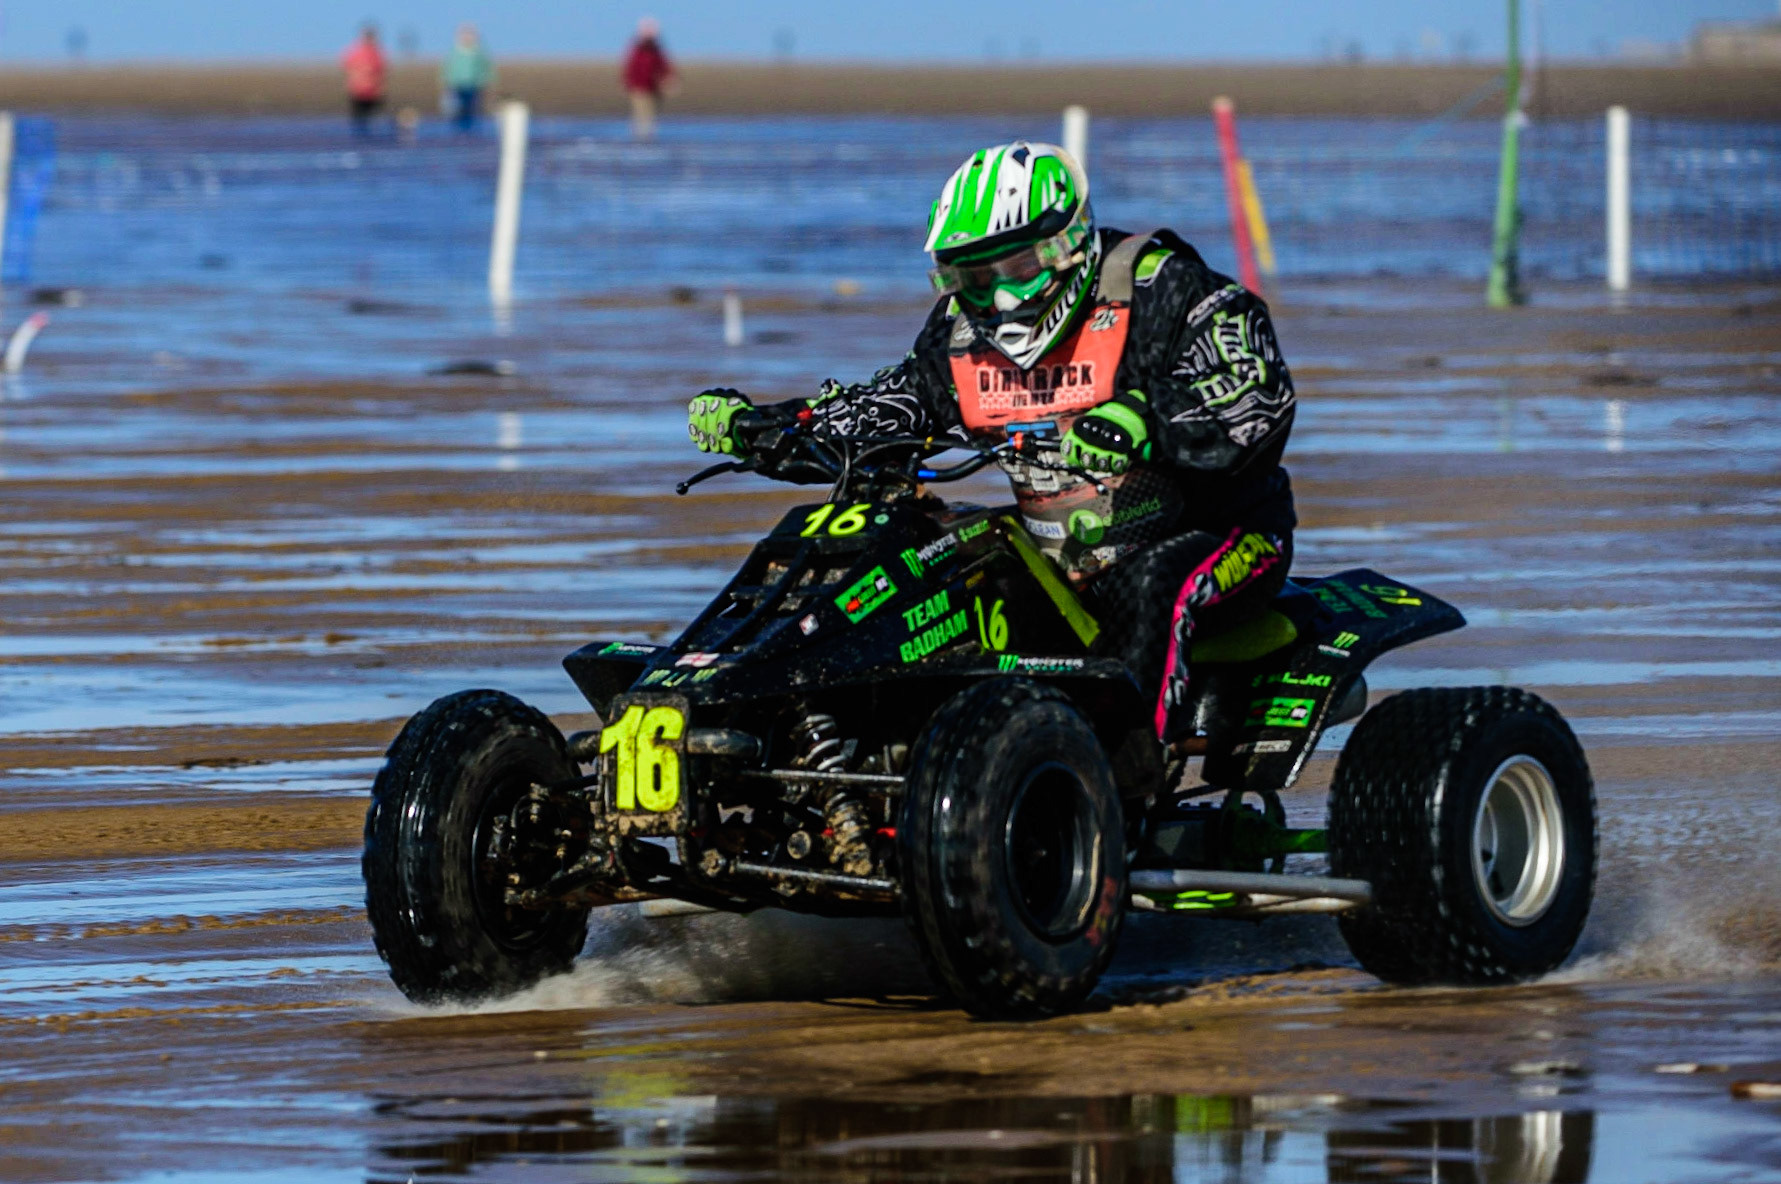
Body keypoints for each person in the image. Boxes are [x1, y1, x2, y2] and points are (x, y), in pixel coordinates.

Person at [687, 142, 1297, 746]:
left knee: (1150, 585)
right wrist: (772, 428)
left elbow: (1257, 388)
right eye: (975, 279)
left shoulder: (1162, 288)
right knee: (931, 564)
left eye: (1017, 272)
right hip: (1057, 546)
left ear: (1068, 245)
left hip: (1220, 530)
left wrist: (1145, 419)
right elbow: (893, 403)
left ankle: (1118, 781)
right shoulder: (959, 330)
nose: (999, 300)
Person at [621, 17, 675, 141]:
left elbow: (663, 65)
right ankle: (639, 135)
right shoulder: (636, 49)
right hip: (638, 87)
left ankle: (649, 136)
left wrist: (669, 78)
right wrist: (626, 82)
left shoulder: (657, 49)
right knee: (640, 112)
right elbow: (630, 67)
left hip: (653, 87)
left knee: (652, 113)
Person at [441, 23, 496, 132]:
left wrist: (489, 81)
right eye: (464, 35)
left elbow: (487, 68)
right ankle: (458, 131)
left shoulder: (479, 52)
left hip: (474, 86)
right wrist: (446, 83)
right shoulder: (455, 52)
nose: (467, 38)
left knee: (473, 108)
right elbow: (447, 69)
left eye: (469, 35)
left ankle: (472, 131)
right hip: (457, 86)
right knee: (457, 109)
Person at [340, 23, 387, 137]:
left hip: (372, 93)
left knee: (371, 119)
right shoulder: (355, 51)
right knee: (358, 120)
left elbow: (382, 73)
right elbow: (348, 68)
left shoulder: (377, 53)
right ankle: (359, 140)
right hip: (358, 92)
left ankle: (369, 139)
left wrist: (381, 88)